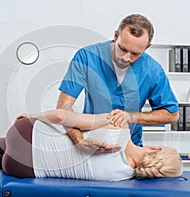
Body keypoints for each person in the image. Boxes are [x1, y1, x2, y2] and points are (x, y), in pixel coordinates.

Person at [0, 109, 183, 181]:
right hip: (19, 169)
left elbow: (60, 116)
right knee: (24, 153)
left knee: (25, 138)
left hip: (21, 136)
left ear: (156, 149)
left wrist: (30, 115)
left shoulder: (118, 127)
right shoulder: (121, 178)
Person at [57, 14, 179, 151]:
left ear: (147, 47)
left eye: (135, 54)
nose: (126, 58)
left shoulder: (153, 70)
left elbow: (172, 114)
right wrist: (79, 140)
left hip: (129, 149)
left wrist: (130, 117)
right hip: (91, 144)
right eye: (123, 49)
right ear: (116, 35)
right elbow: (64, 107)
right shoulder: (86, 57)